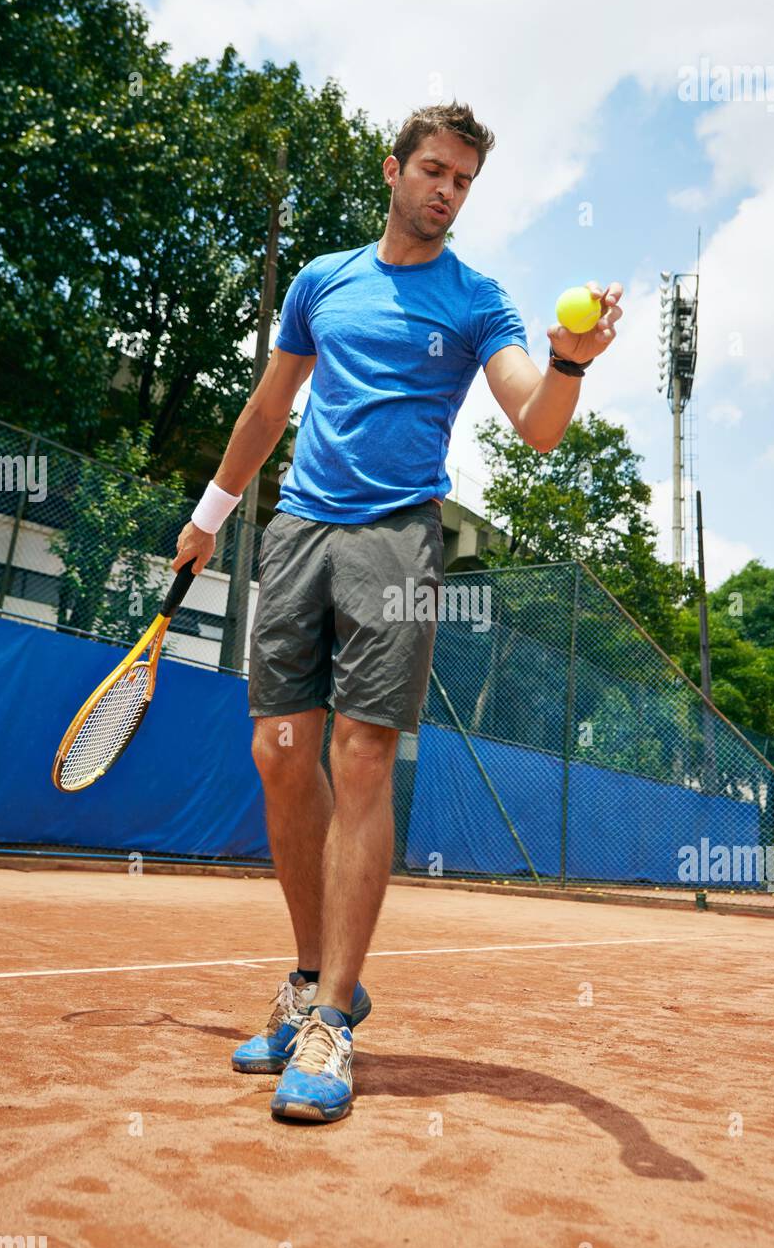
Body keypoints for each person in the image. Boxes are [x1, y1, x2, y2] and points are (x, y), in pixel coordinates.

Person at [172, 101, 623, 1122]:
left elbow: (538, 426)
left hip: (395, 540)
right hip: (295, 530)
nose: (446, 190)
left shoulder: (477, 303)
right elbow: (267, 406)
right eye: (433, 170)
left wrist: (569, 359)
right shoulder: (323, 281)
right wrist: (210, 516)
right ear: (393, 170)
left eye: (462, 180)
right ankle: (308, 976)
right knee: (281, 753)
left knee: (361, 759)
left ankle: (332, 1018)